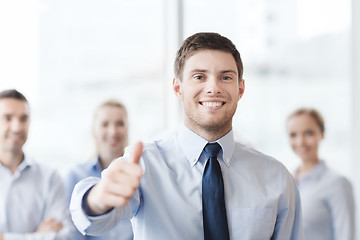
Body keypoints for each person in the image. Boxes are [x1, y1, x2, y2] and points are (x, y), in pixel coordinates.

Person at [70, 32, 304, 239]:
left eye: (225, 77)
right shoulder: (145, 164)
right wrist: (98, 199)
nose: (213, 88)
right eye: (199, 77)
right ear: (177, 88)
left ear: (240, 88)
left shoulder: (276, 177)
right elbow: (92, 221)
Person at [0, 89, 74, 240]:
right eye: (8, 118)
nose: (17, 127)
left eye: (23, 119)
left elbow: (64, 236)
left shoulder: (50, 178)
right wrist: (37, 236)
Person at [65, 100, 133, 240]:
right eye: (105, 124)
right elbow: (72, 231)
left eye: (119, 123)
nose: (113, 131)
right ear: (94, 130)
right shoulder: (76, 175)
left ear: (127, 128)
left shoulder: (138, 174)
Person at [286, 107, 355, 240]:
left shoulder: (337, 183)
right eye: (293, 135)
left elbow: (346, 235)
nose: (300, 142)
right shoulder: (286, 181)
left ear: (322, 134)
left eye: (308, 133)